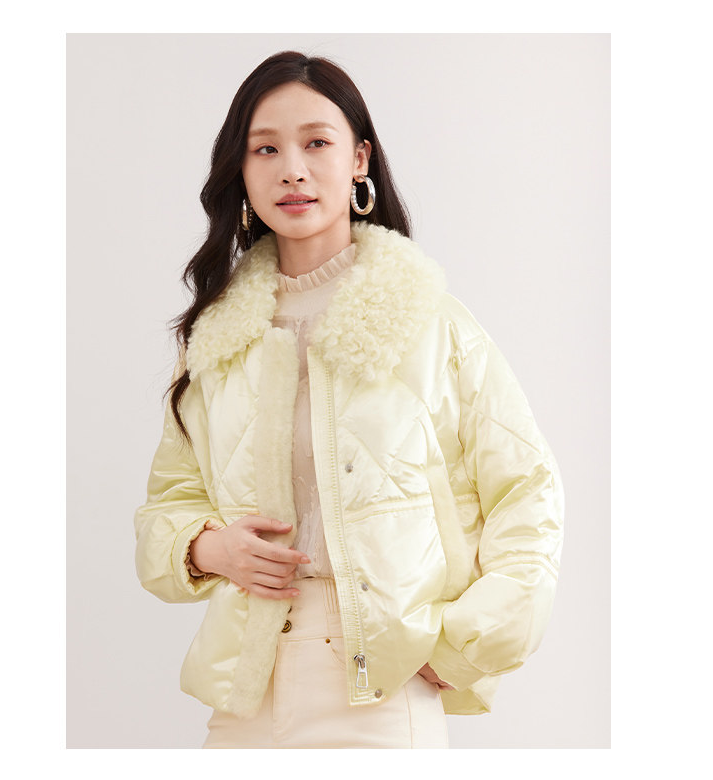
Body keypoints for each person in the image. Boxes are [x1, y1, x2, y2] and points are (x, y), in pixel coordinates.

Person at [133, 50, 565, 749]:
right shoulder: (218, 339)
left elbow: (528, 494)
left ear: (359, 158)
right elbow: (166, 507)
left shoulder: (431, 325)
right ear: (241, 171)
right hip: (246, 697)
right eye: (265, 149)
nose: (292, 169)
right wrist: (208, 547)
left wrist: (460, 647)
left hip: (381, 696)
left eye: (317, 143)